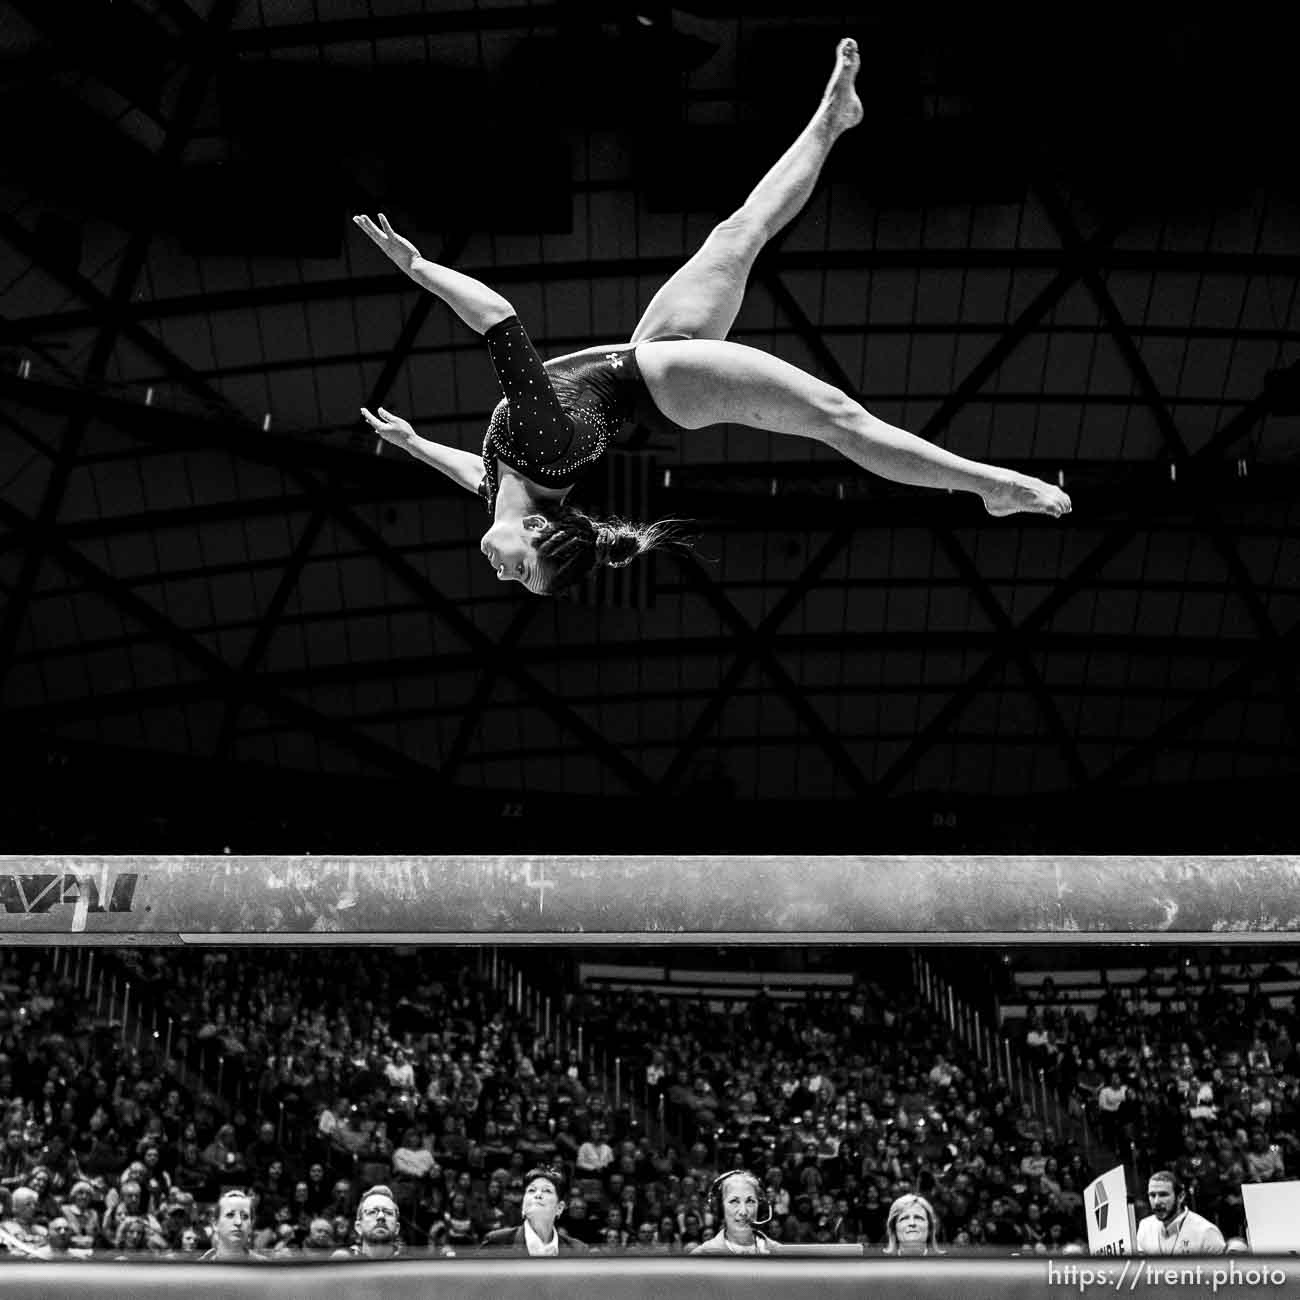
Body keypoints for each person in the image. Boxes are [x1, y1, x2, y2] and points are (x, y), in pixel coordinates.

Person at [355, 37, 1071, 599]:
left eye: (516, 580)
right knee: (836, 419)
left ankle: (834, 118)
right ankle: (993, 487)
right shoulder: (539, 450)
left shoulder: (507, 486)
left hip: (648, 362)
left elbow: (470, 474)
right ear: (540, 531)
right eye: (522, 572)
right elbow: (499, 319)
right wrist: (418, 268)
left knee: (741, 231)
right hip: (668, 380)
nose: (502, 575)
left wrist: (413, 443)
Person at [478, 1166, 588, 1255]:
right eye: (531, 1190)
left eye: (546, 1190)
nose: (538, 1195)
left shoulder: (578, 1249)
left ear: (559, 1208)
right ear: (523, 1205)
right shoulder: (497, 1242)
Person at [1134, 1171, 1226, 1256]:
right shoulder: (1145, 1226)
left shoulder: (1206, 1232)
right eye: (1152, 1195)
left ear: (1181, 1197)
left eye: (1163, 1195)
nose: (1156, 1201)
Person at [691, 1169, 779, 1255]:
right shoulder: (701, 1256)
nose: (743, 1212)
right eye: (734, 1201)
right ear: (720, 1208)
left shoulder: (780, 1254)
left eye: (750, 1201)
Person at [331, 1184, 404, 1260]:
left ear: (397, 1228)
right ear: (358, 1227)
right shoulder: (344, 1261)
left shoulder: (410, 1264)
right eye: (372, 1212)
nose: (381, 1216)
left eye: (388, 1212)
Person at [200, 1188, 266, 1261]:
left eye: (245, 1216)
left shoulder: (266, 1267)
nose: (238, 1222)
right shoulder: (197, 1269)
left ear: (251, 1224)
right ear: (215, 1223)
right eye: (230, 1215)